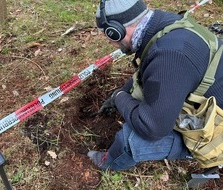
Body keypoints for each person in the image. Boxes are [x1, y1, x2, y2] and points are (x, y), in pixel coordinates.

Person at [87, 0, 223, 171]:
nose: (108, 41)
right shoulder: (165, 26)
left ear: (115, 32)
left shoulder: (169, 56)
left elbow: (152, 127)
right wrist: (121, 92)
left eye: (106, 35)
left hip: (218, 130)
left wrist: (120, 98)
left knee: (131, 138)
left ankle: (109, 163)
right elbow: (150, 73)